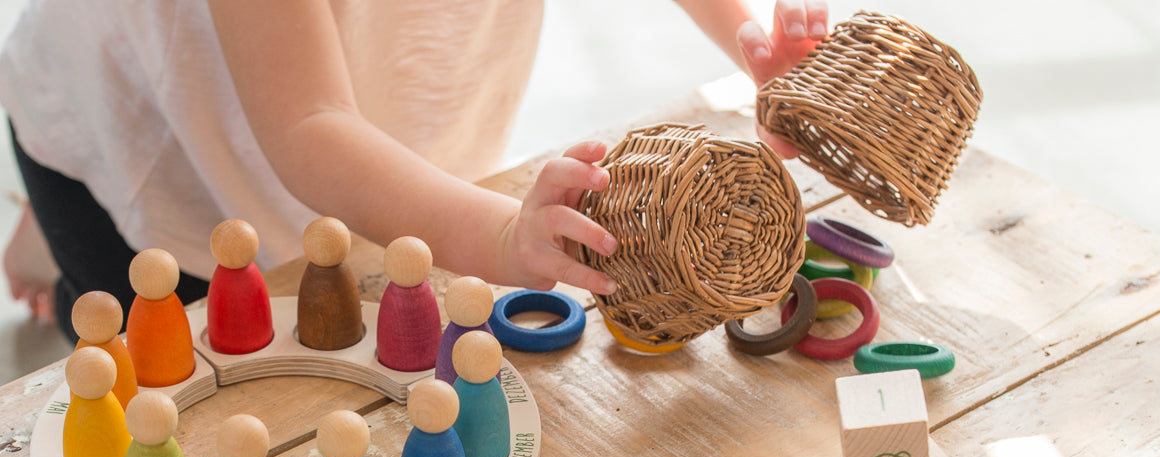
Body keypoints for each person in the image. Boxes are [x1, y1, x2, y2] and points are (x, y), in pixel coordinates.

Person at [0, 0, 828, 340]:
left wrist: (753, 47)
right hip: (145, 112)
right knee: (160, 307)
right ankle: (59, 237)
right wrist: (501, 234)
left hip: (375, 85)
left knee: (374, 209)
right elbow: (308, 125)